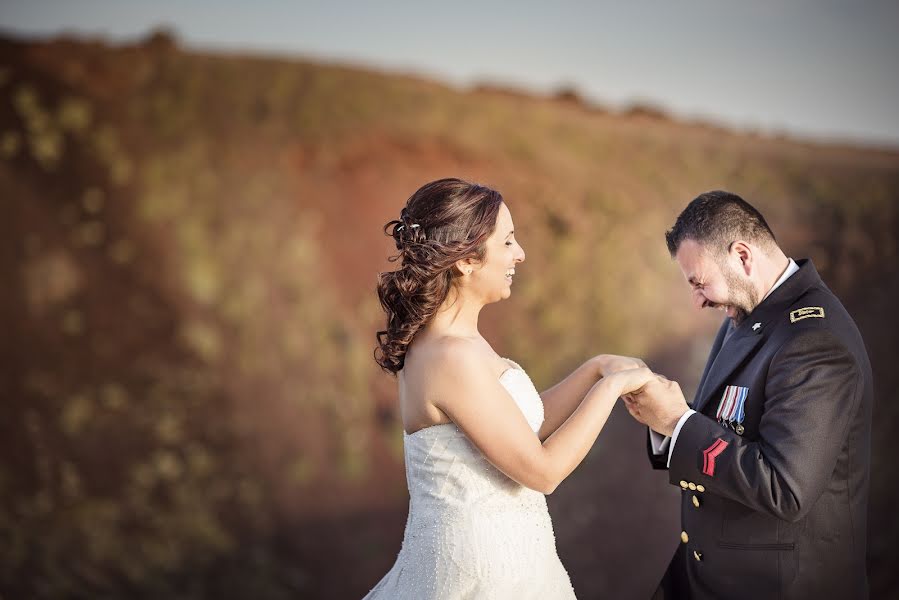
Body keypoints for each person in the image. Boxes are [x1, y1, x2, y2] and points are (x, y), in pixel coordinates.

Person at [364, 178, 653, 599]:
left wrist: (594, 370)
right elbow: (543, 471)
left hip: (509, 564)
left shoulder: (457, 344)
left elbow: (520, 429)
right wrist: (612, 390)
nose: (520, 254)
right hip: (482, 577)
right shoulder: (450, 357)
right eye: (508, 242)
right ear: (465, 260)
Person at [625, 191, 873, 600]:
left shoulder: (815, 341)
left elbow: (784, 486)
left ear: (742, 256)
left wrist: (677, 422)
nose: (697, 300)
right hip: (709, 578)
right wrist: (662, 418)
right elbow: (730, 431)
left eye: (699, 282)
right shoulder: (746, 316)